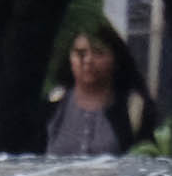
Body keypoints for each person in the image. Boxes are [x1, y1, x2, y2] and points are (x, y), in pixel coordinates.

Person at [44, 26, 151, 156]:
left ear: (115, 58)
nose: (88, 61)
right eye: (80, 53)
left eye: (98, 52)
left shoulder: (135, 107)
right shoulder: (53, 104)